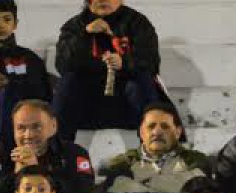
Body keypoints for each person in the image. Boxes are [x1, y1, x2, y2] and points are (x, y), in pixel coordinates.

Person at [94, 102, 212, 193]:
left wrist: (142, 184)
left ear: (178, 131)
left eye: (165, 126)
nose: (157, 132)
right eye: (151, 126)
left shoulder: (195, 160)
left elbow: (198, 190)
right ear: (141, 132)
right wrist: (170, 190)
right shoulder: (121, 163)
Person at [53, 0, 163, 141]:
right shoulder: (75, 25)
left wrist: (124, 62)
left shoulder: (137, 23)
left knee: (141, 83)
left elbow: (151, 63)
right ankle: (60, 155)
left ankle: (152, 152)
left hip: (127, 101)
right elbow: (62, 65)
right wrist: (84, 33)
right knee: (67, 84)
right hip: (87, 102)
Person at [0, 0, 51, 147]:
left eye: (7, 19)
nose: (0, 24)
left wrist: (10, 84)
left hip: (22, 135)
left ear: (15, 24)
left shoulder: (29, 58)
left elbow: (43, 96)